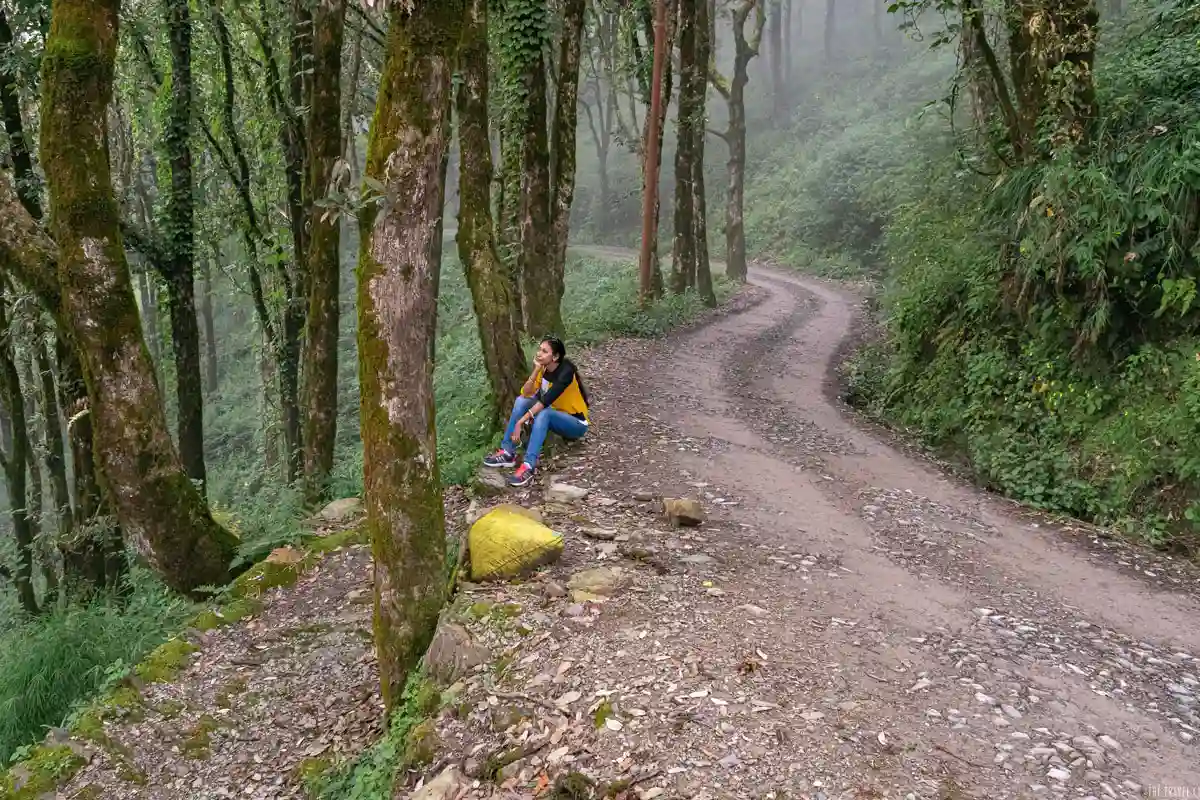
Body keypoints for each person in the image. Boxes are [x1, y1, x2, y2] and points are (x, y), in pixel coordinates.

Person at [482, 336, 591, 487]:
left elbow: (545, 401)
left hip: (575, 423)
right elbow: (525, 393)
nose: (539, 353)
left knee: (545, 413)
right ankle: (508, 452)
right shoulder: (544, 368)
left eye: (544, 351)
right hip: (552, 412)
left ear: (555, 356)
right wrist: (536, 370)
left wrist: (521, 421)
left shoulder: (566, 372)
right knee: (521, 401)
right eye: (539, 349)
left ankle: (528, 466)